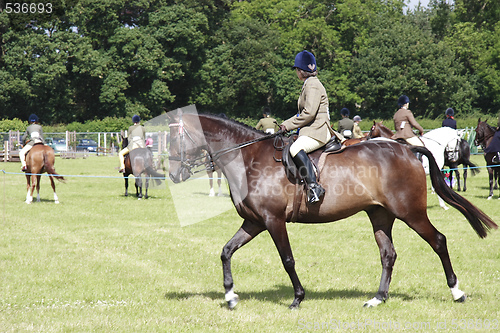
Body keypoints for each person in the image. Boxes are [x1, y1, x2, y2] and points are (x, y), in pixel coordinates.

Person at [279, 50, 337, 204]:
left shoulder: (312, 85)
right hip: (312, 129)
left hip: (318, 131)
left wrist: (287, 125)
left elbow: (309, 113)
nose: (296, 73)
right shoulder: (310, 84)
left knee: (295, 149)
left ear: (300, 71)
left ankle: (314, 187)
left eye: (297, 70)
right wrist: (285, 124)